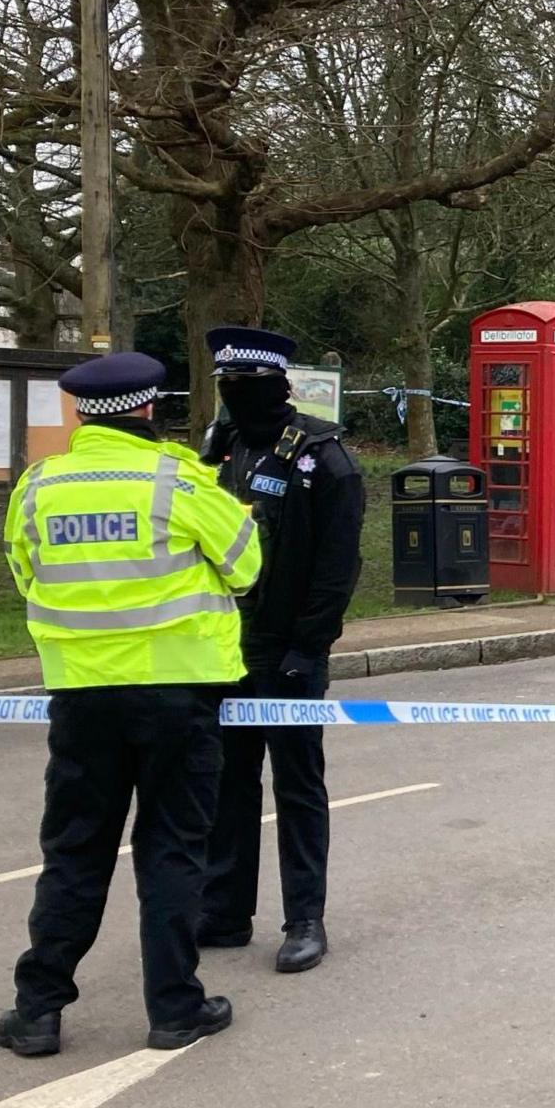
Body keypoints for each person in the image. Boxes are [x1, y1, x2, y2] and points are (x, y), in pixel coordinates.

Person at [0, 353, 261, 1057]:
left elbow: (26, 571)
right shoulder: (180, 479)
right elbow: (247, 566)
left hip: (81, 695)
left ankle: (38, 1011)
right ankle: (175, 1009)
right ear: (149, 409)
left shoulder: (38, 485)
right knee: (173, 850)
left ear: (80, 413)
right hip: (178, 694)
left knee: (75, 851)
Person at [197, 326, 367, 975]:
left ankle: (304, 919)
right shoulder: (225, 452)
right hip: (228, 647)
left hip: (290, 647)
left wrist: (309, 645)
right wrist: (206, 459)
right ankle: (223, 911)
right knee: (227, 784)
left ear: (278, 385)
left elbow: (337, 565)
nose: (237, 397)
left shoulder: (324, 458)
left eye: (247, 386)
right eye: (227, 388)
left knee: (296, 786)